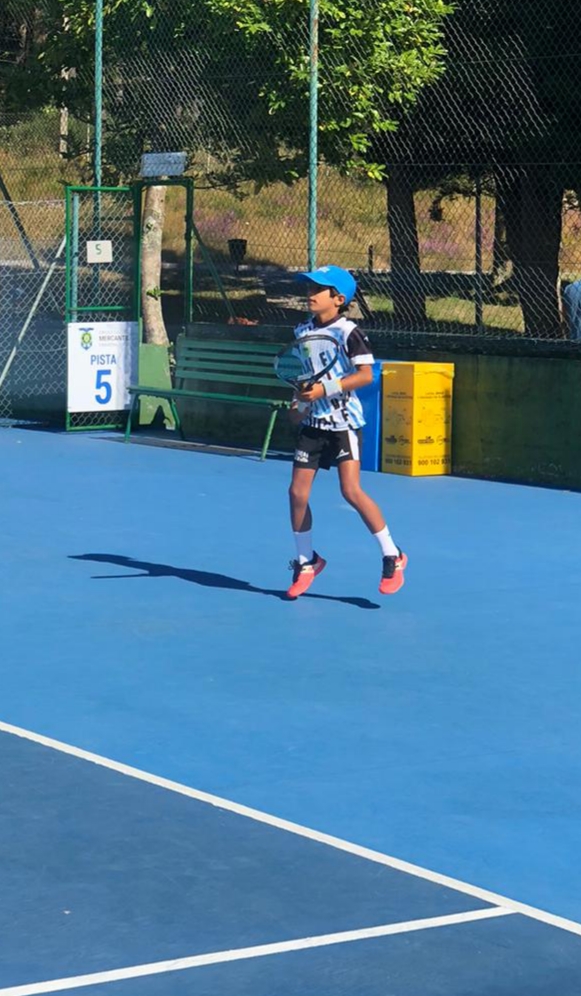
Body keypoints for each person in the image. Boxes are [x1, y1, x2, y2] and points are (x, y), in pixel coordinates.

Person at [286, 264, 406, 599]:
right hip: (313, 424)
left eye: (317, 289)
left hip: (344, 425)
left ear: (338, 299)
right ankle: (306, 561)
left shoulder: (348, 332)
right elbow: (305, 376)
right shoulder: (301, 332)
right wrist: (299, 403)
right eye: (308, 288)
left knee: (350, 491)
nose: (310, 294)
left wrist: (324, 391)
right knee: (297, 494)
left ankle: (392, 555)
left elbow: (366, 375)